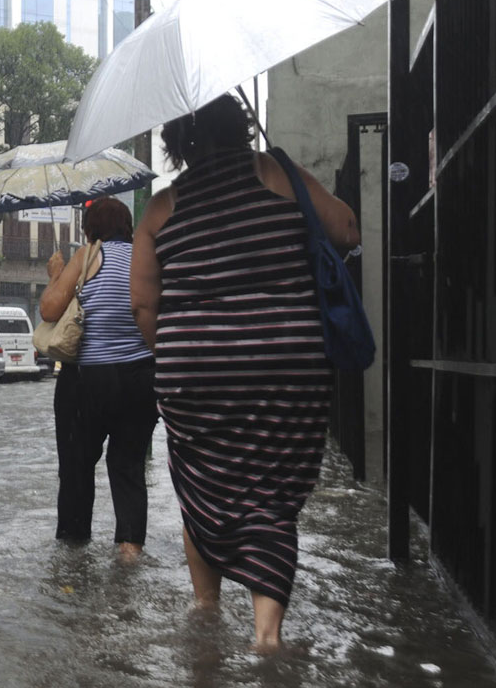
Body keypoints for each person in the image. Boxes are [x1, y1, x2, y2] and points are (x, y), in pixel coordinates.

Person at [130, 94, 360, 653]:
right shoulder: (278, 175)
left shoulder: (161, 209)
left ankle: (206, 608)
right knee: (271, 493)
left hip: (194, 372)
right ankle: (266, 633)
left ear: (178, 144)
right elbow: (348, 230)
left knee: (203, 482)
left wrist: (184, 359)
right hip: (287, 365)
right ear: (241, 127)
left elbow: (143, 308)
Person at [39, 197, 158, 562]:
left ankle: (74, 557)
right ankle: (129, 550)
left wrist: (56, 275)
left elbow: (48, 309)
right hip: (141, 379)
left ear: (90, 228)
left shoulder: (87, 256)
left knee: (76, 468)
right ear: (127, 226)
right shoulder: (146, 258)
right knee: (129, 466)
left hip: (87, 381)